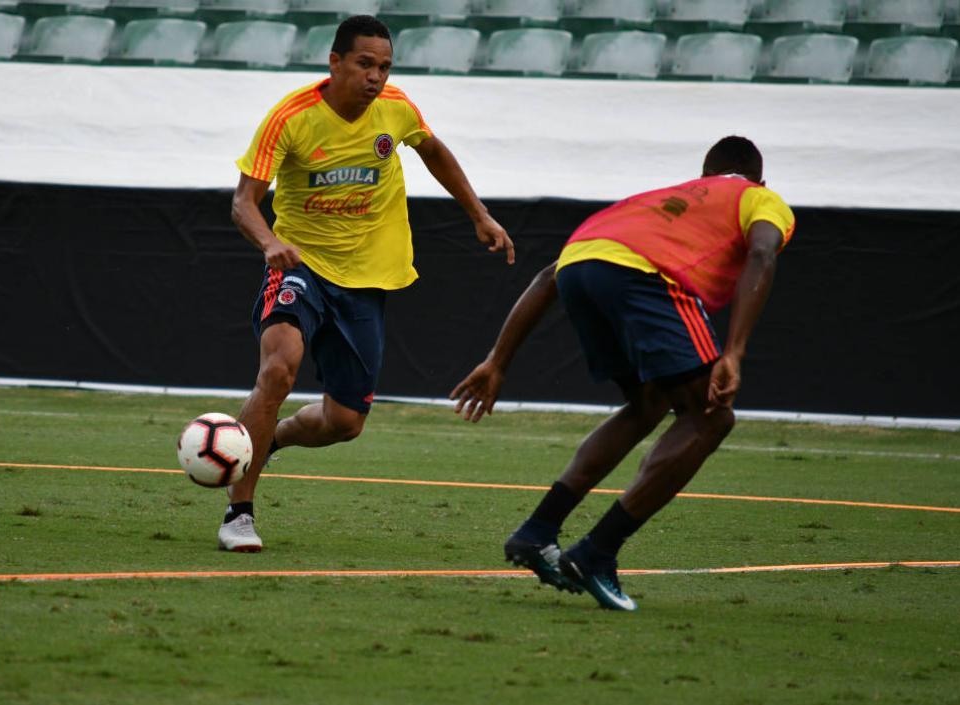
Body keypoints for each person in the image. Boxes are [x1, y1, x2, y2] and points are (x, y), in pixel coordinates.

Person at [450, 136, 795, 610]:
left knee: (648, 404)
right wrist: (733, 352)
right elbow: (762, 255)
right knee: (711, 417)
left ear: (703, 176)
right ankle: (597, 552)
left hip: (580, 266)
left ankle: (538, 530)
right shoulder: (761, 199)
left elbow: (548, 275)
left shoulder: (655, 200)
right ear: (759, 179)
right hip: (646, 278)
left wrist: (497, 360)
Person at [223, 15, 515, 552]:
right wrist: (270, 244)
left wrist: (479, 214)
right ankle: (239, 513)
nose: (376, 76)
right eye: (364, 64)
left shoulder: (397, 109)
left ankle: (270, 439)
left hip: (366, 278)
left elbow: (433, 150)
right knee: (279, 366)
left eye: (384, 66)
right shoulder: (290, 118)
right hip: (301, 266)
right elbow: (244, 203)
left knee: (345, 422)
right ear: (334, 62)